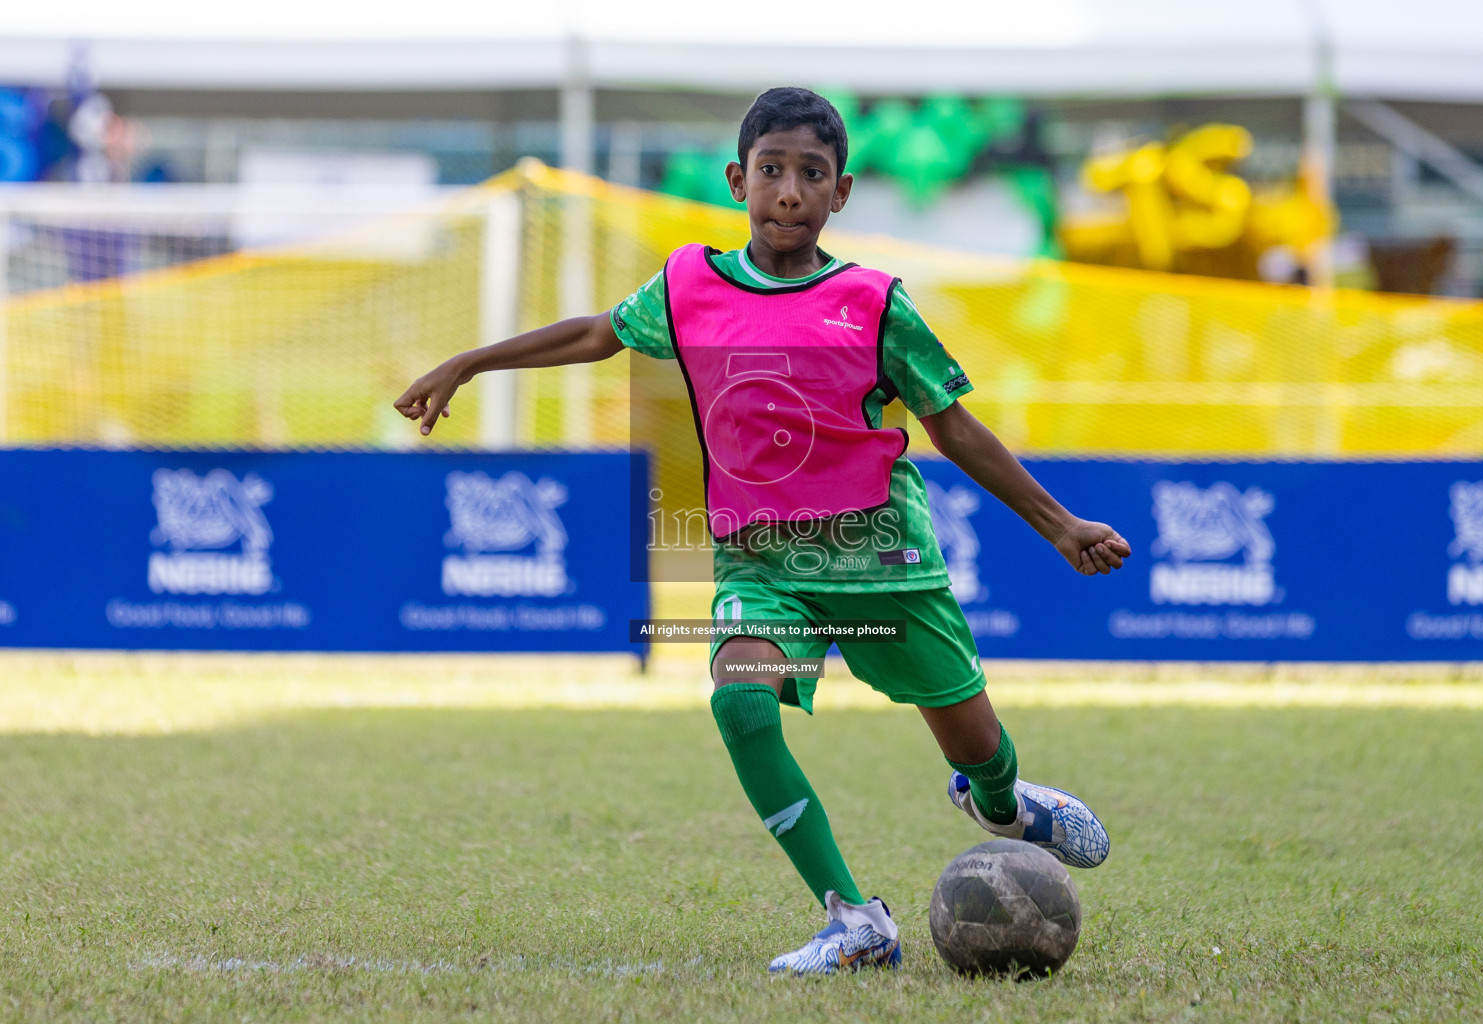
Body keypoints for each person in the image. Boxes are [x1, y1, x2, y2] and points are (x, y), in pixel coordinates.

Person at [395, 86, 1131, 977]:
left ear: (841, 193)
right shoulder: (689, 286)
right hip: (761, 561)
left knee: (976, 745)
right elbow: (596, 334)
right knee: (740, 702)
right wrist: (468, 363)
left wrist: (1060, 526)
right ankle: (857, 920)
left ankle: (1004, 803)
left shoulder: (875, 303)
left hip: (882, 561)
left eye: (811, 174)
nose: (790, 191)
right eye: (773, 171)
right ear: (740, 179)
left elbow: (955, 427)